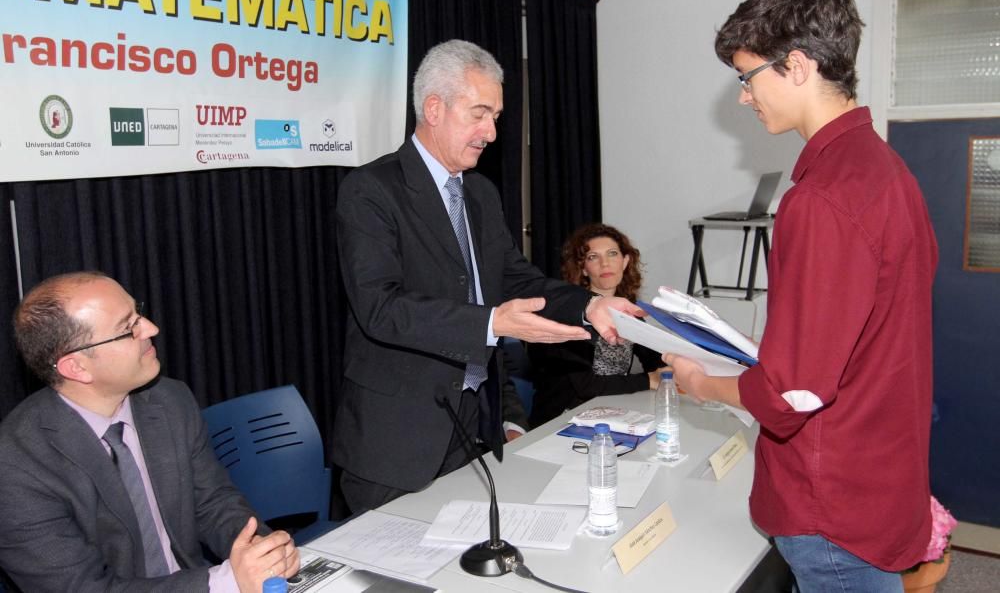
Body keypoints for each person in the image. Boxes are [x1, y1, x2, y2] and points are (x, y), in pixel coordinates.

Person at [666, 0, 938, 591]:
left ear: (795, 66)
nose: (743, 97)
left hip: (833, 504)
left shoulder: (821, 200)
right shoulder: (888, 173)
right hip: (879, 478)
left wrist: (704, 384)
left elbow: (795, 395)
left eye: (746, 76)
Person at [333, 39, 642, 512]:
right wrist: (492, 323)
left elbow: (517, 279)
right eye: (480, 113)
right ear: (434, 108)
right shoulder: (372, 190)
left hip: (471, 428)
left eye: (495, 116)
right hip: (394, 446)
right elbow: (380, 309)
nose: (491, 132)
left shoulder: (479, 194)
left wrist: (589, 305)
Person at [0, 271, 300, 592]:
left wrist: (261, 552)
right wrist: (227, 581)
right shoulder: (16, 467)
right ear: (77, 367)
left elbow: (213, 502)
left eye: (138, 313)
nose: (151, 328)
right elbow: (80, 588)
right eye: (128, 328)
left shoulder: (169, 400)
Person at [528, 223, 663, 427]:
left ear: (625, 261)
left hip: (610, 411)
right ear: (583, 268)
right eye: (593, 257)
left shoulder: (629, 313)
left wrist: (674, 369)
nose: (605, 263)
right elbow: (586, 386)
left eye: (612, 254)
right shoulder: (569, 314)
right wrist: (649, 380)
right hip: (561, 420)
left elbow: (655, 361)